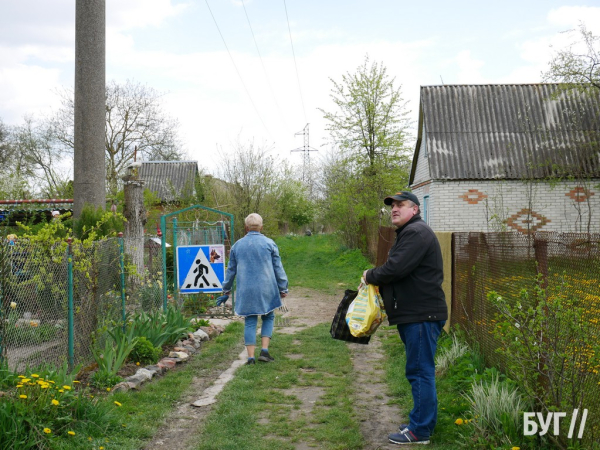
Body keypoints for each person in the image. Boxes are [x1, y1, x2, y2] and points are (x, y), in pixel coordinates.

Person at [363, 191, 447, 445]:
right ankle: (421, 422)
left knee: (420, 372)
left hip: (422, 315)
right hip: (416, 314)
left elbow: (395, 268)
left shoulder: (416, 233)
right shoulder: (410, 232)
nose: (394, 209)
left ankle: (420, 431)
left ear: (415, 209)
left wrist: (370, 275)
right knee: (418, 370)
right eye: (392, 206)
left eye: (400, 205)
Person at [218, 213, 288, 365]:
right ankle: (264, 351)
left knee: (250, 321)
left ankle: (250, 358)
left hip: (246, 289)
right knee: (268, 316)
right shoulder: (269, 244)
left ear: (246, 228)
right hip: (267, 288)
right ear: (261, 227)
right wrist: (283, 287)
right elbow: (278, 268)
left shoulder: (237, 246)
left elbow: (231, 270)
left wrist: (226, 290)